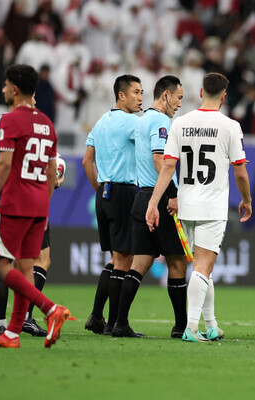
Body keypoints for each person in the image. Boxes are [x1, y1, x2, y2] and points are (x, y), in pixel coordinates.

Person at [145, 72, 252, 343]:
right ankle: (191, 328)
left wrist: (153, 202)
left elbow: (168, 166)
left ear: (201, 92)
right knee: (203, 267)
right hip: (213, 206)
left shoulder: (180, 123)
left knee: (204, 267)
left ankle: (211, 324)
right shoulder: (230, 126)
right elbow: (240, 171)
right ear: (224, 96)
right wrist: (247, 200)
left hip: (187, 206)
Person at [0, 64, 73, 348]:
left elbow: (5, 163)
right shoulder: (47, 123)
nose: (3, 89)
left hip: (15, 202)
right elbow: (51, 171)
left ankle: (49, 309)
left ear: (15, 89)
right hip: (38, 204)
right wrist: (45, 207)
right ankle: (12, 333)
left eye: (6, 84)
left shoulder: (9, 120)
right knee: (26, 267)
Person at [112, 75, 188, 339]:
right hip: (161, 198)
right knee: (178, 263)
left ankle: (119, 323)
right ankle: (181, 326)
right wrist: (172, 194)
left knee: (139, 264)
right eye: (178, 98)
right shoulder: (159, 121)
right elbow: (160, 160)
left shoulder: (141, 120)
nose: (179, 104)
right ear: (165, 94)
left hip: (142, 196)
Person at [82, 74, 142, 335]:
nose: (141, 98)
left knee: (115, 258)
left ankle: (97, 316)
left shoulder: (101, 121)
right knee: (125, 260)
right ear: (121, 95)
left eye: (142, 93)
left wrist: (101, 190)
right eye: (136, 92)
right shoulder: (131, 122)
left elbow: (87, 162)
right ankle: (116, 324)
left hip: (104, 193)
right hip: (123, 192)